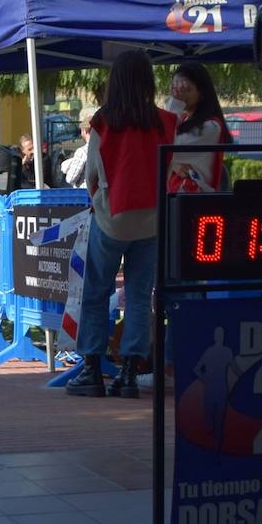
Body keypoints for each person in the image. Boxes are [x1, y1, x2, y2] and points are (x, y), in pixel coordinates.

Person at [65, 50, 176, 399]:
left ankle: (92, 371)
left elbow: (93, 173)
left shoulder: (103, 121)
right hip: (153, 222)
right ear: (148, 81)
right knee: (141, 298)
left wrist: (101, 204)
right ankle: (129, 373)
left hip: (111, 220)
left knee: (97, 294)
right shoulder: (166, 122)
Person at [166, 61, 231, 193]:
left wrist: (175, 106)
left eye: (186, 89)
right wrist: (174, 165)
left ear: (201, 92)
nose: (178, 94)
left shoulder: (211, 126)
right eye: (175, 89)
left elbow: (167, 145)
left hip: (193, 198)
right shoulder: (183, 119)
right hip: (178, 195)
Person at [61, 106, 97, 188]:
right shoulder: (102, 149)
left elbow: (70, 178)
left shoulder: (83, 151)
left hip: (84, 193)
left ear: (84, 131)